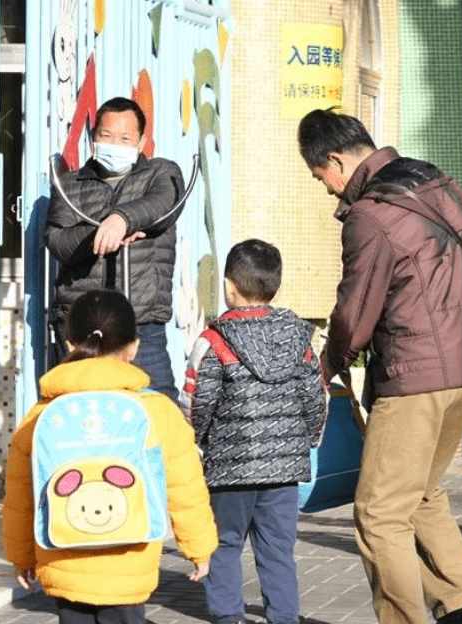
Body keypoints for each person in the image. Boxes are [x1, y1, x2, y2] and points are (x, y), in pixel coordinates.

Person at [297, 108, 462, 624]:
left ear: (336, 160)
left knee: (380, 513)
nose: (327, 190)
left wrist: (326, 364)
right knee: (421, 492)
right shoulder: (434, 182)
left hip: (418, 376)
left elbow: (355, 311)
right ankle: (461, 605)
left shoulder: (371, 214)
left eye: (322, 177)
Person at [1, 289, 217, 624]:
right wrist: (198, 548)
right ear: (133, 347)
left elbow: (20, 496)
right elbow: (186, 488)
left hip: (63, 558)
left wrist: (20, 554)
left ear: (69, 344)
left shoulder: (42, 415)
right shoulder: (157, 411)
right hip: (130, 561)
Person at [181, 239, 326, 624]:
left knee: (224, 543)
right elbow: (315, 396)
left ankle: (229, 616)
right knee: (278, 549)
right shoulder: (299, 340)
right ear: (273, 286)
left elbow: (197, 401)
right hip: (283, 470)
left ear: (229, 286)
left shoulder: (213, 341)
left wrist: (199, 441)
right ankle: (284, 617)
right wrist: (307, 439)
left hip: (230, 469)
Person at [45, 96, 187, 401]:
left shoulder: (161, 173)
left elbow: (165, 202)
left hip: (142, 326)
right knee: (75, 405)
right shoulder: (69, 186)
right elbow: (58, 241)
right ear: (93, 137)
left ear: (141, 141)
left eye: (125, 138)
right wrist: (101, 230)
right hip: (81, 325)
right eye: (106, 136)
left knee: (158, 405)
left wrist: (123, 218)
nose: (115, 144)